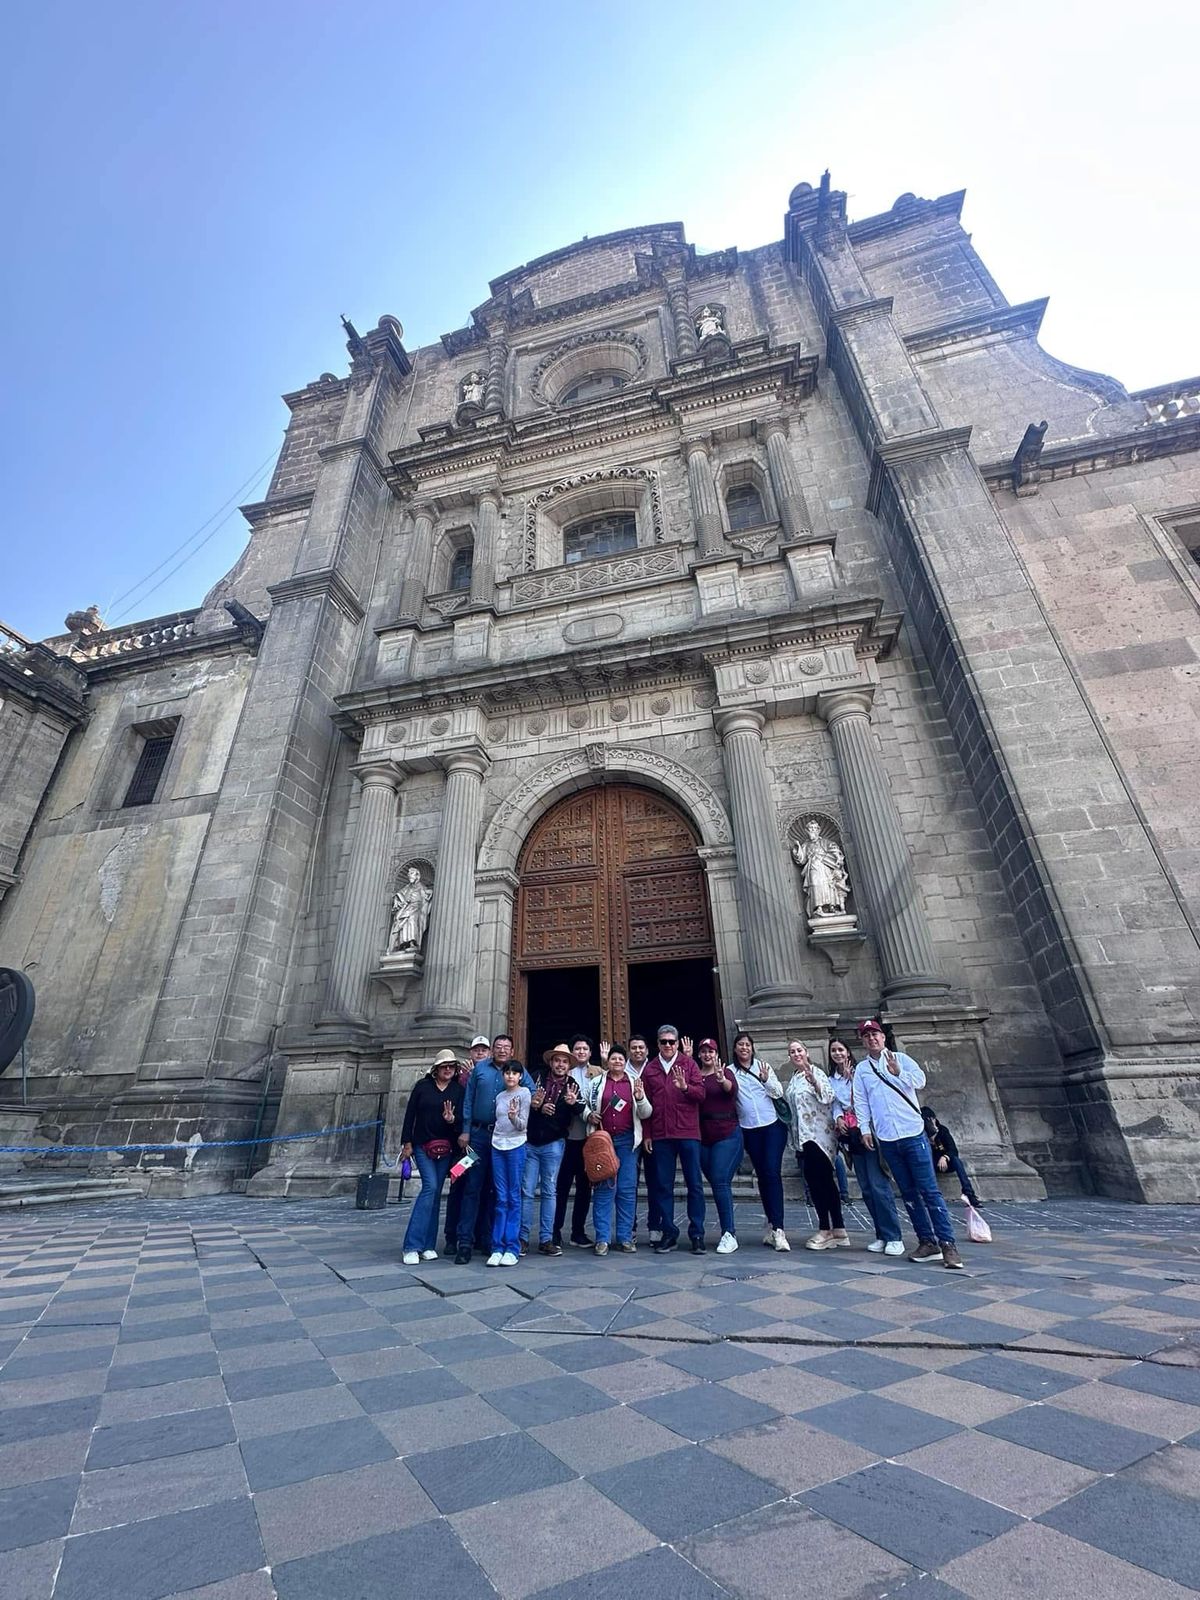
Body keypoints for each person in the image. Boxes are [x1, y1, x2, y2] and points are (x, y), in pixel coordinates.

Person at [853, 1020, 964, 1270]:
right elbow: (861, 1100)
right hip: (888, 1137)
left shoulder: (901, 1059)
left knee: (929, 1190)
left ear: (883, 1037)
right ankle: (927, 1241)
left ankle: (948, 1243)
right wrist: (864, 1129)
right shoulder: (862, 1069)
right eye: (867, 1035)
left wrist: (897, 1073)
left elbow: (920, 1081)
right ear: (862, 1040)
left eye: (875, 1034)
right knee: (908, 1192)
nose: (872, 1039)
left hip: (912, 1133)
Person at [455, 1035, 534, 1264]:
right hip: (478, 1136)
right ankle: (464, 1242)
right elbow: (468, 1100)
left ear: (512, 1051)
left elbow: (530, 1095)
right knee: (472, 1186)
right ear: (492, 1050)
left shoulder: (519, 1073)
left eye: (506, 1047)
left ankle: (490, 1239)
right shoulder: (479, 1070)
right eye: (497, 1047)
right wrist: (466, 1130)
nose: (501, 1050)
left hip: (506, 1138)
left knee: (497, 1190)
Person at [828, 1037, 904, 1255]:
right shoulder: (832, 1078)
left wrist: (853, 1082)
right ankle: (881, 1234)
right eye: (834, 1050)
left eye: (841, 1049)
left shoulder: (861, 1071)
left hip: (867, 1132)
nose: (837, 1054)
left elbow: (866, 1100)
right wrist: (839, 1117)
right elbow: (835, 1104)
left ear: (848, 1051)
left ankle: (894, 1236)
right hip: (851, 1136)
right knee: (867, 1188)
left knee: (879, 1185)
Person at [641, 1025, 706, 1254]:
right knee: (662, 1186)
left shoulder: (689, 1065)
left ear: (678, 1043)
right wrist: (647, 1133)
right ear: (657, 1044)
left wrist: (686, 1087)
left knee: (695, 1186)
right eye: (663, 1041)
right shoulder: (649, 1070)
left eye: (671, 1041)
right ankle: (669, 1232)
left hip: (688, 1133)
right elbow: (645, 1105)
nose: (667, 1045)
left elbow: (701, 1095)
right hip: (661, 1135)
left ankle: (697, 1233)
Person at [399, 1049, 464, 1265]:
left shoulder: (457, 1090)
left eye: (452, 1066)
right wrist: (406, 1143)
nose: (448, 1069)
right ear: (435, 1069)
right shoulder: (422, 1087)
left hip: (445, 1148)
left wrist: (451, 1120)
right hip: (422, 1145)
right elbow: (410, 1116)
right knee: (430, 1187)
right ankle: (412, 1245)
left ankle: (428, 1244)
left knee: (435, 1193)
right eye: (444, 1066)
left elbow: (460, 1124)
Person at [585, 1045, 651, 1255]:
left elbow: (647, 1112)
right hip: (603, 1142)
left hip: (627, 1143)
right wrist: (588, 1115)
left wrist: (640, 1097)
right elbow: (584, 1103)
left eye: (621, 1059)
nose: (617, 1062)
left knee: (626, 1190)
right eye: (613, 1059)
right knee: (604, 1189)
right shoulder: (596, 1083)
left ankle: (625, 1237)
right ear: (608, 1061)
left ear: (626, 1061)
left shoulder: (634, 1082)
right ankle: (602, 1238)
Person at [729, 1031, 790, 1252]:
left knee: (772, 1172)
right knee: (763, 1174)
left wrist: (765, 1080)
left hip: (772, 1125)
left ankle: (780, 1230)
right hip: (749, 1128)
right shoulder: (729, 1072)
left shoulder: (763, 1067)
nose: (744, 1048)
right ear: (735, 1049)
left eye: (747, 1044)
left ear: (752, 1048)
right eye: (740, 1045)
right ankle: (772, 1223)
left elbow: (778, 1092)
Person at [784, 1040, 847, 1250]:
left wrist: (815, 1082)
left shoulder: (815, 1072)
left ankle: (824, 1230)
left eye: (799, 1050)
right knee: (823, 1181)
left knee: (819, 1183)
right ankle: (839, 1229)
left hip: (819, 1136)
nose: (796, 1054)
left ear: (807, 1052)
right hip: (804, 1137)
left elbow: (828, 1096)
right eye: (792, 1052)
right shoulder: (794, 1078)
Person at [521, 1044, 581, 1256]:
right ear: (551, 1062)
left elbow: (578, 1110)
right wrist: (535, 1106)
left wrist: (573, 1104)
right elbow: (520, 1100)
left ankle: (546, 1239)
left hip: (554, 1144)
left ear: (569, 1065)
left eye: (565, 1061)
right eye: (557, 1060)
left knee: (549, 1191)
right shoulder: (536, 1077)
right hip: (530, 1142)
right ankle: (522, 1238)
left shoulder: (572, 1085)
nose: (560, 1064)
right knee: (526, 1191)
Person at [442, 1035, 492, 1255]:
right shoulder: (459, 1079)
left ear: (489, 1053)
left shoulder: (493, 1077)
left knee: (482, 1188)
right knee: (458, 1186)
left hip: (479, 1142)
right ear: (470, 1053)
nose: (479, 1053)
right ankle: (452, 1237)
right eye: (476, 1050)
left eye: (483, 1050)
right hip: (461, 1145)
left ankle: (480, 1235)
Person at [553, 1034, 603, 1248]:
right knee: (561, 1187)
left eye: (585, 1049)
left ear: (590, 1053)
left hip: (588, 1138)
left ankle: (578, 1232)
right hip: (567, 1137)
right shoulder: (565, 1074)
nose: (581, 1052)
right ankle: (554, 1231)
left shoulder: (599, 1074)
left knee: (584, 1188)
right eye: (577, 1049)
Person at [696, 1039, 741, 1254]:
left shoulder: (726, 1073)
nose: (707, 1055)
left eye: (710, 1051)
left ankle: (729, 1233)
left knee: (721, 1180)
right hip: (703, 1136)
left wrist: (722, 1079)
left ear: (716, 1054)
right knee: (715, 1182)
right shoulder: (694, 1075)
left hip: (727, 1133)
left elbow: (731, 1090)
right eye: (703, 1051)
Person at [487, 1062, 531, 1267]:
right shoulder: (499, 1096)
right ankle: (497, 1246)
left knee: (513, 1196)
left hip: (516, 1145)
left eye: (515, 1073)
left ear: (520, 1076)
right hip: (497, 1145)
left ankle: (512, 1247)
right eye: (508, 1073)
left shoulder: (524, 1094)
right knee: (501, 1196)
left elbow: (523, 1126)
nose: (511, 1076)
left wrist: (514, 1117)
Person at [627, 1034, 663, 1241]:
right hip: (629, 1134)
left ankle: (655, 1225)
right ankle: (629, 1227)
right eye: (634, 1048)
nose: (638, 1051)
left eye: (641, 1047)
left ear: (647, 1050)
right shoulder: (621, 1071)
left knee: (654, 1181)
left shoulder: (656, 1069)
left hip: (653, 1133)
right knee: (629, 1183)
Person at [922, 1106, 981, 1207]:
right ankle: (928, 1196)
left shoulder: (942, 1130)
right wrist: (931, 1140)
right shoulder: (922, 1134)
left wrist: (945, 1157)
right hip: (931, 1163)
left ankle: (969, 1194)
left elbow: (953, 1150)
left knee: (956, 1161)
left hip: (946, 1162)